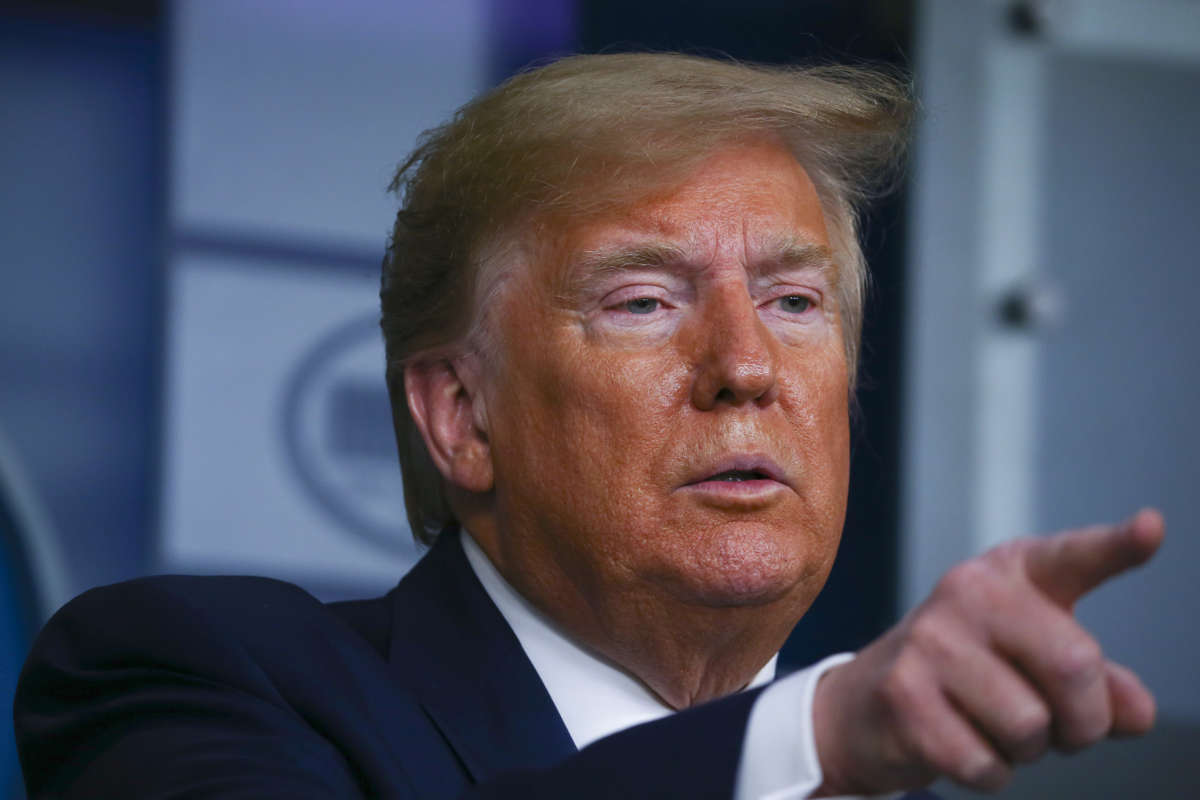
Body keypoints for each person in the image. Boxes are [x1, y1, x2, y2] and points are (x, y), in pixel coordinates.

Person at [14, 53, 1163, 799]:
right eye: (644, 302)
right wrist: (800, 742)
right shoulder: (186, 671)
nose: (746, 366)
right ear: (460, 414)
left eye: (795, 301)